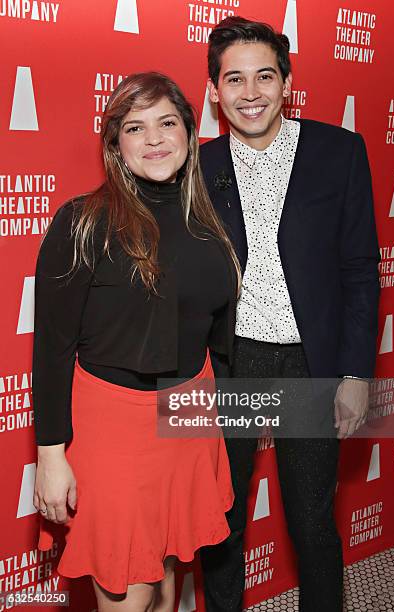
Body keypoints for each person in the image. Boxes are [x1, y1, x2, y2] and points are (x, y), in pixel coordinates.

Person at [32, 72, 241, 612]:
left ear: (190, 133)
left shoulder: (211, 219)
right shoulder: (83, 223)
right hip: (115, 429)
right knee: (130, 594)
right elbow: (52, 348)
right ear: (115, 145)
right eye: (135, 127)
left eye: (166, 123)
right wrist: (51, 457)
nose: (153, 139)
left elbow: (216, 329)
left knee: (169, 573)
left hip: (189, 410)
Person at [199, 16, 380, 612]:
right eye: (234, 79)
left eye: (264, 77)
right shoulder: (194, 166)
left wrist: (356, 374)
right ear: (214, 91)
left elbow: (359, 270)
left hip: (309, 363)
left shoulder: (339, 151)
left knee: (311, 521)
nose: (250, 93)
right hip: (231, 363)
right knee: (221, 526)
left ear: (287, 82)